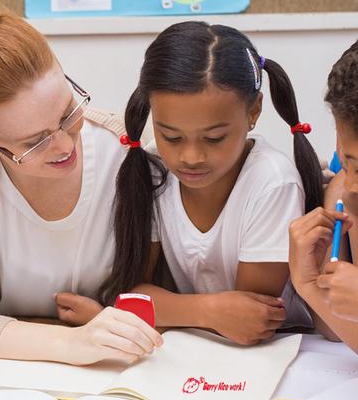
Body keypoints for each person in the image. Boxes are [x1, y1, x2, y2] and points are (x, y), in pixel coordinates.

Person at [0, 0, 161, 364]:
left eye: (67, 113)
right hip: (9, 386)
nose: (63, 146)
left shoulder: (131, 146)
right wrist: (69, 345)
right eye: (34, 141)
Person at [57, 21, 323, 345]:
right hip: (196, 348)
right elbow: (131, 293)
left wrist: (156, 312)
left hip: (282, 348)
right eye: (171, 136)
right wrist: (207, 312)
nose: (191, 156)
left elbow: (250, 322)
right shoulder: (153, 171)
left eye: (213, 138)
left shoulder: (272, 183)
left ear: (254, 111)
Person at [289, 40, 358, 350]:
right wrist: (308, 284)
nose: (353, 183)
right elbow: (337, 331)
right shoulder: (345, 196)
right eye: (348, 162)